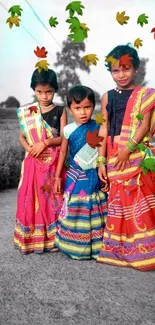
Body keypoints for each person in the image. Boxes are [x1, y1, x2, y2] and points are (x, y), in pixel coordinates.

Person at [96, 44, 155, 271]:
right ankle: (122, 250)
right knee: (118, 202)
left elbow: (144, 125)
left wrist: (127, 149)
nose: (121, 75)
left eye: (126, 69)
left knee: (138, 201)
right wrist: (101, 161)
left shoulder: (146, 95)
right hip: (112, 153)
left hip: (135, 152)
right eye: (115, 70)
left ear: (136, 69)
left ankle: (145, 252)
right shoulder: (107, 97)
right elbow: (103, 129)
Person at [14, 68, 67, 254]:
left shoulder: (60, 110)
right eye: (39, 92)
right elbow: (22, 137)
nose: (44, 96)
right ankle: (33, 239)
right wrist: (30, 149)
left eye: (49, 91)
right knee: (32, 200)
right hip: (33, 163)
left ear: (55, 90)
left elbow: (63, 138)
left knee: (51, 199)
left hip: (52, 163)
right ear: (34, 90)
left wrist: (45, 142)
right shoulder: (28, 112)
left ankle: (53, 239)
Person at [54, 85, 108, 260]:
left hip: (93, 175)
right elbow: (63, 152)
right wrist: (57, 176)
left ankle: (96, 246)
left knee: (94, 206)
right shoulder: (68, 130)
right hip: (75, 176)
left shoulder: (98, 126)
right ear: (70, 109)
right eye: (78, 108)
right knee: (75, 208)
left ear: (93, 106)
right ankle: (74, 245)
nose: (83, 112)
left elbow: (102, 149)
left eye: (87, 107)